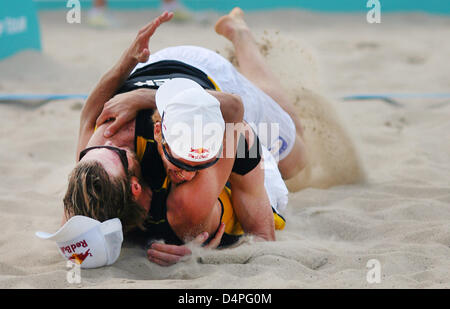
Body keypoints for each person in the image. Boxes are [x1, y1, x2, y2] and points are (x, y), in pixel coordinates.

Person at [64, 8, 305, 266]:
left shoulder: (101, 143)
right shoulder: (103, 189)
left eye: (98, 150)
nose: (109, 142)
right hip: (186, 105)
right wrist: (194, 250)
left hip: (211, 85)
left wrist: (133, 67)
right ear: (134, 186)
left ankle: (241, 35)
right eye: (114, 151)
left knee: (295, 159)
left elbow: (234, 111)